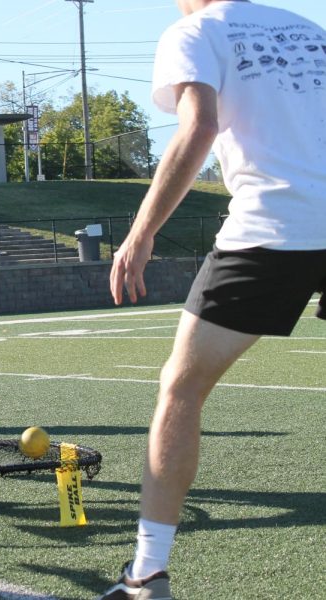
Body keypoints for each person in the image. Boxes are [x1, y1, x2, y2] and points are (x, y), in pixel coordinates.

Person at [99, 1, 326, 598]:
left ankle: (147, 573)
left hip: (271, 229)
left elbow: (197, 127)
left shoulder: (194, 31)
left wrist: (141, 233)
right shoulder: (310, 29)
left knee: (181, 389)